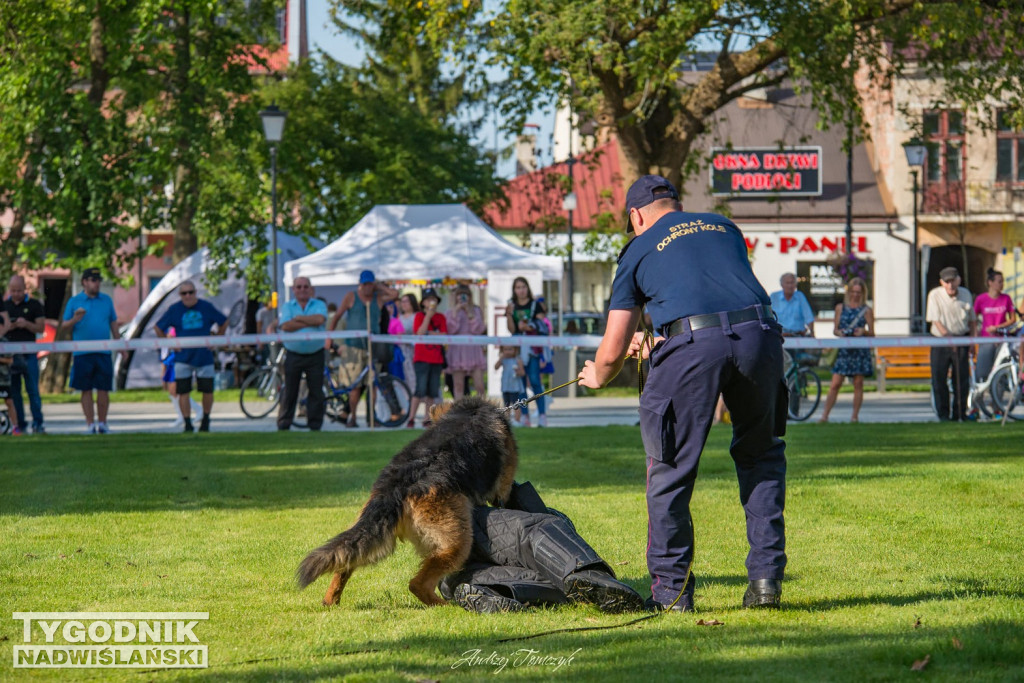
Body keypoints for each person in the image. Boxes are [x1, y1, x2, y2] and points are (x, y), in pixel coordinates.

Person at [577, 175, 787, 612]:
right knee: (761, 456)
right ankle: (766, 582)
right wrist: (661, 341)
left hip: (694, 345)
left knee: (669, 468)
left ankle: (672, 594)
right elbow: (713, 298)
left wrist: (597, 374)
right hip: (759, 334)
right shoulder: (723, 227)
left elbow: (614, 347)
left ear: (635, 216)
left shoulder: (637, 247)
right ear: (676, 204)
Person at [439, 482, 644, 613]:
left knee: (466, 576)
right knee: (539, 527)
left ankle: (503, 592)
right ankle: (587, 573)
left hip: (447, 568)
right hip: (464, 523)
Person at [154, 281, 227, 433]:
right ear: (180, 295)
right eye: (184, 293)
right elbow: (158, 327)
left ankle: (206, 420)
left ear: (195, 292)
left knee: (207, 390)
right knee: (183, 392)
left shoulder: (206, 307)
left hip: (204, 357)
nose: (187, 296)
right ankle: (187, 423)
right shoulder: (174, 309)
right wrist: (169, 342)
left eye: (190, 292)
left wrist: (217, 340)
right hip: (182, 357)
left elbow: (224, 321)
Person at [328, 270, 398, 428]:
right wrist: (329, 336)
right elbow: (338, 316)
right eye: (365, 284)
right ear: (360, 284)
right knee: (355, 386)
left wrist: (380, 286)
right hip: (354, 347)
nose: (367, 288)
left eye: (370, 284)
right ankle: (352, 417)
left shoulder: (378, 298)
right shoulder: (351, 296)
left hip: (372, 347)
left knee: (373, 383)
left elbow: (395, 294)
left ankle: (371, 417)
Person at [60, 268, 122, 434]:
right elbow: (64, 326)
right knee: (85, 389)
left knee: (103, 389)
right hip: (82, 353)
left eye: (98, 280)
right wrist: (75, 319)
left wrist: (120, 345)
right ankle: (89, 424)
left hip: (103, 352)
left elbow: (114, 324)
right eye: (93, 280)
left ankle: (102, 423)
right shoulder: (75, 301)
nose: (97, 283)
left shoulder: (106, 300)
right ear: (84, 282)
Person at [818, 277, 874, 423]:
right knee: (835, 383)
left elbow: (873, 334)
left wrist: (864, 332)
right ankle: (825, 416)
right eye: (853, 292)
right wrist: (841, 333)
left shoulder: (867, 310)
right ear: (848, 292)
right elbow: (835, 330)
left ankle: (854, 417)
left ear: (863, 294)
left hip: (859, 350)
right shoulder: (840, 308)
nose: (855, 295)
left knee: (858, 383)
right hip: (844, 349)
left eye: (859, 293)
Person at [926, 266, 977, 422]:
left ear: (958, 280)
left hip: (961, 338)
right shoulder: (935, 295)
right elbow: (936, 320)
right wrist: (949, 340)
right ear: (942, 282)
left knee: (961, 380)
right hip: (941, 341)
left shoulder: (966, 294)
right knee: (939, 378)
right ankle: (943, 415)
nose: (950, 285)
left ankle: (960, 413)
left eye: (953, 281)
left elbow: (972, 320)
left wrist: (972, 342)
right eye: (947, 282)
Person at [277, 277, 328, 431]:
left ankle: (315, 425)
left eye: (305, 286)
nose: (302, 289)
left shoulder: (319, 304)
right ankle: (284, 423)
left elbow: (320, 320)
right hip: (294, 354)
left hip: (316, 354)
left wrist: (298, 319)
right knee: (290, 390)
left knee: (316, 391)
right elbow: (286, 325)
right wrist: (308, 321)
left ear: (310, 288)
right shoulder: (287, 306)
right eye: (298, 287)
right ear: (294, 289)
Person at [3, 275, 46, 434]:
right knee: (14, 393)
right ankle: (20, 424)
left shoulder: (34, 305)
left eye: (19, 291)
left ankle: (38, 423)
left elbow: (41, 328)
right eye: (13, 291)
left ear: (25, 289)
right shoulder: (5, 306)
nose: (16, 294)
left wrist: (27, 324)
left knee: (33, 390)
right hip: (11, 356)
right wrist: (11, 325)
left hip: (29, 354)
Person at [505, 277, 549, 427]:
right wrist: (509, 315)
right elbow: (511, 329)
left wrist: (529, 327)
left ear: (527, 288)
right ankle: (525, 416)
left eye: (523, 287)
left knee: (535, 380)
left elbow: (542, 325)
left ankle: (542, 414)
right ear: (514, 290)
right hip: (518, 347)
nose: (521, 290)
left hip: (532, 347)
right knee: (520, 384)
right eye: (518, 287)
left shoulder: (535, 305)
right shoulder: (511, 305)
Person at [407, 287, 447, 428]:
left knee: (432, 390)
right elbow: (420, 333)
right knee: (420, 389)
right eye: (429, 299)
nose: (432, 302)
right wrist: (428, 317)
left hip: (436, 358)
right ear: (423, 303)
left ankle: (427, 417)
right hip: (421, 357)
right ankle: (411, 417)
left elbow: (443, 335)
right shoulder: (419, 316)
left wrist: (429, 333)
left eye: (434, 299)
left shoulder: (441, 317)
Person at [972, 268, 1015, 385]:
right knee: (982, 371)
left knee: (1000, 371)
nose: (1002, 284)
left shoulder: (1006, 298)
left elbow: (1012, 319)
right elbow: (973, 318)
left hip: (1002, 340)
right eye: (999, 281)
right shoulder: (981, 299)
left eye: (1003, 281)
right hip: (986, 339)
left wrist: (997, 327)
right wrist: (975, 334)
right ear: (990, 283)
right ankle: (977, 395)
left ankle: (996, 401)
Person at [445, 284, 487, 400]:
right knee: (458, 386)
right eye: (459, 295)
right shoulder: (450, 312)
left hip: (473, 350)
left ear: (470, 296)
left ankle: (483, 412)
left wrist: (470, 314)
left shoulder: (476, 310)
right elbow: (450, 330)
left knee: (479, 386)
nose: (462, 297)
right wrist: (455, 312)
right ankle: (460, 414)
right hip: (457, 351)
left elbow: (479, 329)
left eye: (465, 295)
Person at [387, 293, 419, 386]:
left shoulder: (416, 316)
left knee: (412, 376)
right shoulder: (398, 318)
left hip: (412, 350)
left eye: (406, 301)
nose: (404, 304)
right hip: (399, 351)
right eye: (402, 301)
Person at [770, 273, 815, 337]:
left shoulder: (800, 296)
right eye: (787, 283)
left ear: (796, 285)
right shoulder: (774, 297)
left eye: (792, 283)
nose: (790, 286)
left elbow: (809, 317)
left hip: (797, 336)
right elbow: (768, 317)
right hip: (779, 336)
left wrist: (812, 333)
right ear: (781, 284)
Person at [495, 344, 527, 425]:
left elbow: (522, 373)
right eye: (505, 349)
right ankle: (507, 421)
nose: (508, 351)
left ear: (515, 350)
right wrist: (500, 359)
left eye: (510, 349)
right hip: (506, 386)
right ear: (502, 350)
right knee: (506, 404)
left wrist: (517, 372)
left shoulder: (517, 359)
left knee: (516, 404)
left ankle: (517, 420)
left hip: (514, 386)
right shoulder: (503, 359)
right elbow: (496, 367)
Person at [1, 330, 18, 436]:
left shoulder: (5, 342)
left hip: (3, 380)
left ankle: (15, 428)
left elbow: (10, 360)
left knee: (10, 403)